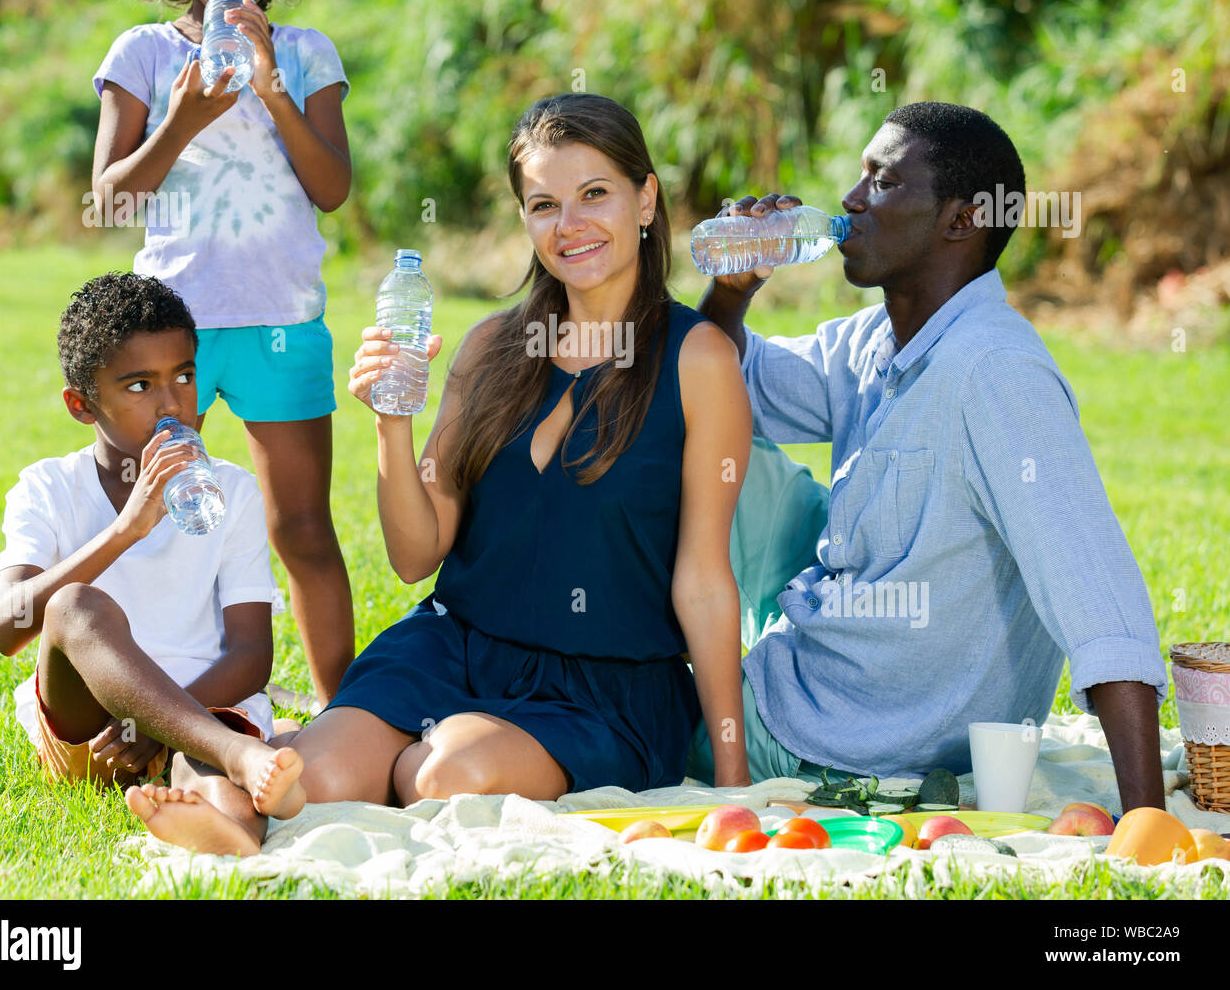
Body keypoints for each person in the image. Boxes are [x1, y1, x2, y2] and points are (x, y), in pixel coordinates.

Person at [127, 93, 753, 857]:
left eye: (596, 194)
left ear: (646, 197)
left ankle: (286, 743)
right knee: (311, 783)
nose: (570, 225)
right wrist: (392, 418)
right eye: (544, 204)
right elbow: (415, 554)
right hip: (453, 646)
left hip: (606, 687)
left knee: (443, 771)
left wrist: (731, 774)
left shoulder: (699, 361)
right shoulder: (492, 347)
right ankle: (237, 799)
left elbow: (705, 581)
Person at [691, 101, 1168, 812]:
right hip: (816, 668)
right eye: (859, 178)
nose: (850, 202)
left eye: (882, 184)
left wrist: (1147, 820)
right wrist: (730, 293)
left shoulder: (996, 373)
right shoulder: (874, 338)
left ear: (961, 219)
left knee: (620, 710)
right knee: (707, 434)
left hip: (840, 737)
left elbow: (1101, 600)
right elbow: (721, 388)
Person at [90, 0, 354, 707]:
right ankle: (156, 697)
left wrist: (274, 88)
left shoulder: (311, 52)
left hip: (283, 325)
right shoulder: (144, 56)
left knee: (304, 529)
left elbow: (331, 187)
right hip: (171, 337)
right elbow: (111, 196)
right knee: (159, 522)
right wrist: (185, 117)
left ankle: (339, 710)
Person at [0, 273, 305, 841]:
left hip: (202, 711)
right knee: (76, 605)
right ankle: (234, 753)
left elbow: (253, 653)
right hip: (90, 731)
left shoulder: (231, 492)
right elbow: (6, 628)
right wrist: (124, 531)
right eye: (139, 386)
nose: (172, 404)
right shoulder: (46, 487)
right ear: (81, 405)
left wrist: (159, 722)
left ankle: (227, 822)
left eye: (184, 377)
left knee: (229, 809)